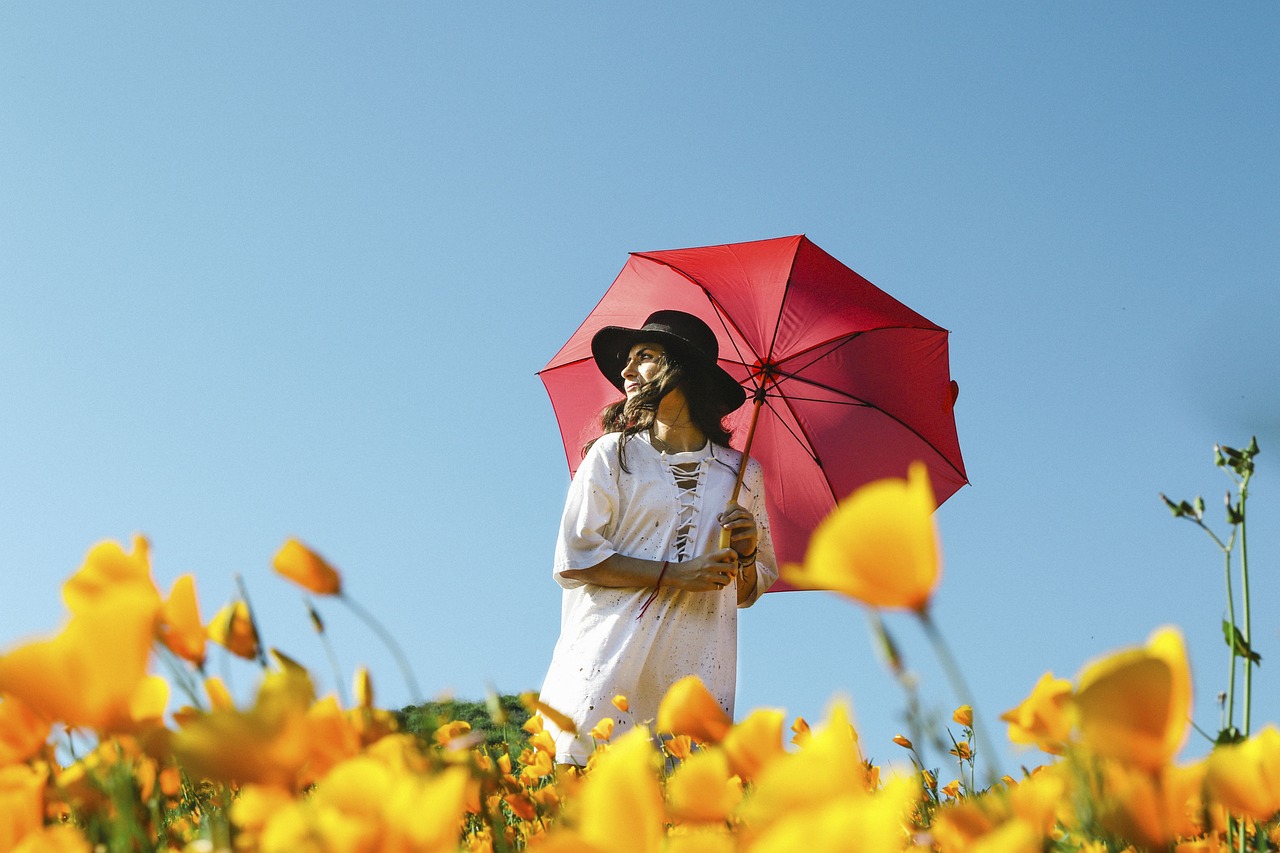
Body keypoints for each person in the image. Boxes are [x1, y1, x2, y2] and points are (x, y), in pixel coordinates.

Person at [537, 310, 777, 764]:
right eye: (628, 360)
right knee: (584, 793)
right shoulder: (614, 454)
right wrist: (676, 574)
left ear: (683, 370)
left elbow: (745, 591)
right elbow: (576, 558)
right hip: (607, 653)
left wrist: (745, 554)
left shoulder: (743, 475)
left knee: (680, 809)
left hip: (696, 663)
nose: (626, 371)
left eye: (644, 357)